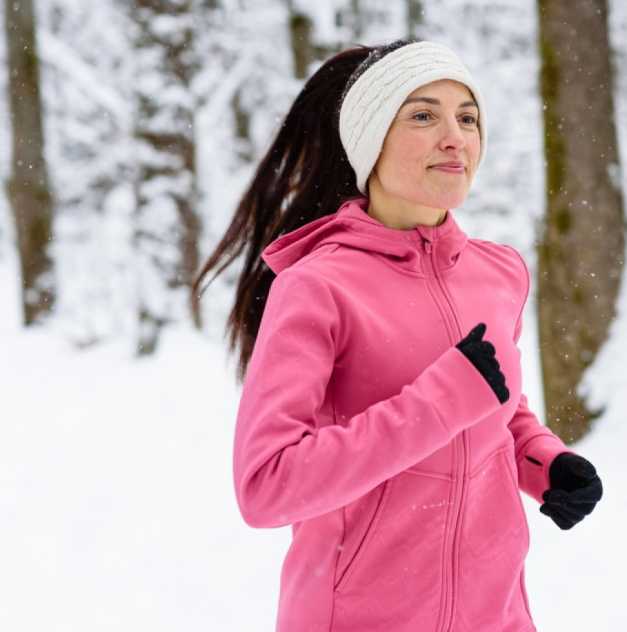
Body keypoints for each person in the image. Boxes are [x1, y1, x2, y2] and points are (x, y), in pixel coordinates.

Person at [193, 39, 603, 632]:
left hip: (497, 614)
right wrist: (436, 406)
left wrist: (541, 460)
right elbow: (266, 486)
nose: (454, 137)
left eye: (467, 118)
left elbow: (499, 406)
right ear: (371, 142)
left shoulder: (499, 273)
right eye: (422, 115)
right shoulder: (318, 286)